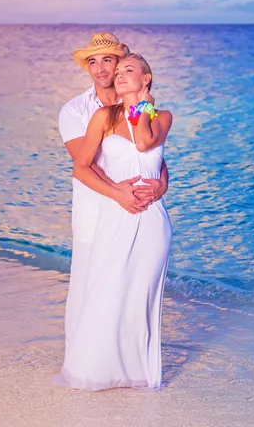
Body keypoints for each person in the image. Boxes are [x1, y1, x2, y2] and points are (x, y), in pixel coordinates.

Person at [55, 33, 169, 386]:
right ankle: (86, 365)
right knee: (91, 291)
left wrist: (162, 185)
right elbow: (83, 163)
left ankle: (132, 368)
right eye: (94, 61)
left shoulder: (154, 112)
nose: (104, 68)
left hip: (145, 213)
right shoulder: (80, 111)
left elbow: (151, 154)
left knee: (134, 294)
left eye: (111, 61)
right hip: (97, 211)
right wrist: (118, 195)